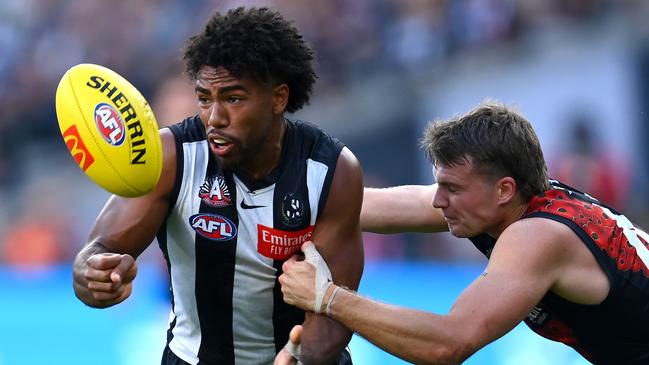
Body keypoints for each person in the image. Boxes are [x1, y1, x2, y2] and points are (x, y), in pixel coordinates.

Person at [72, 7, 364, 365]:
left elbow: (334, 312)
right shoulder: (171, 156)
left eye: (233, 98)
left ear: (279, 98)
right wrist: (94, 275)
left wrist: (303, 355)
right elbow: (98, 251)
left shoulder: (332, 169)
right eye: (205, 98)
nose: (215, 117)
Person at [276, 101, 649, 365]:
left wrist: (326, 297)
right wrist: (272, 194)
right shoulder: (506, 200)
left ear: (503, 189)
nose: (438, 201)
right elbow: (361, 205)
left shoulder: (538, 236)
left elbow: (448, 344)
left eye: (451, 188)